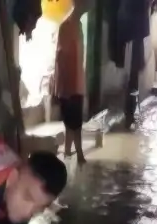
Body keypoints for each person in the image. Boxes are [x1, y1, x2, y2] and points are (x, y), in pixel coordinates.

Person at [53, 10, 87, 164]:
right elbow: (61, 58)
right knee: (75, 123)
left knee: (71, 122)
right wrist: (60, 88)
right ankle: (79, 155)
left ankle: (68, 152)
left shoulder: (77, 25)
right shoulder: (66, 27)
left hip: (76, 83)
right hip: (69, 85)